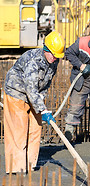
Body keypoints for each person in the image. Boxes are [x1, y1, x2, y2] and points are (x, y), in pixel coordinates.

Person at [4, 31, 65, 173]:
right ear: (46, 49)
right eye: (53, 54)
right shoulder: (33, 61)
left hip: (34, 95)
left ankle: (30, 165)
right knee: (19, 130)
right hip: (16, 92)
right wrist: (42, 110)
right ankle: (17, 168)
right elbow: (30, 87)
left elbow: (45, 84)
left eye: (57, 55)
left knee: (36, 128)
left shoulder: (54, 61)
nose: (55, 58)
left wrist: (40, 104)